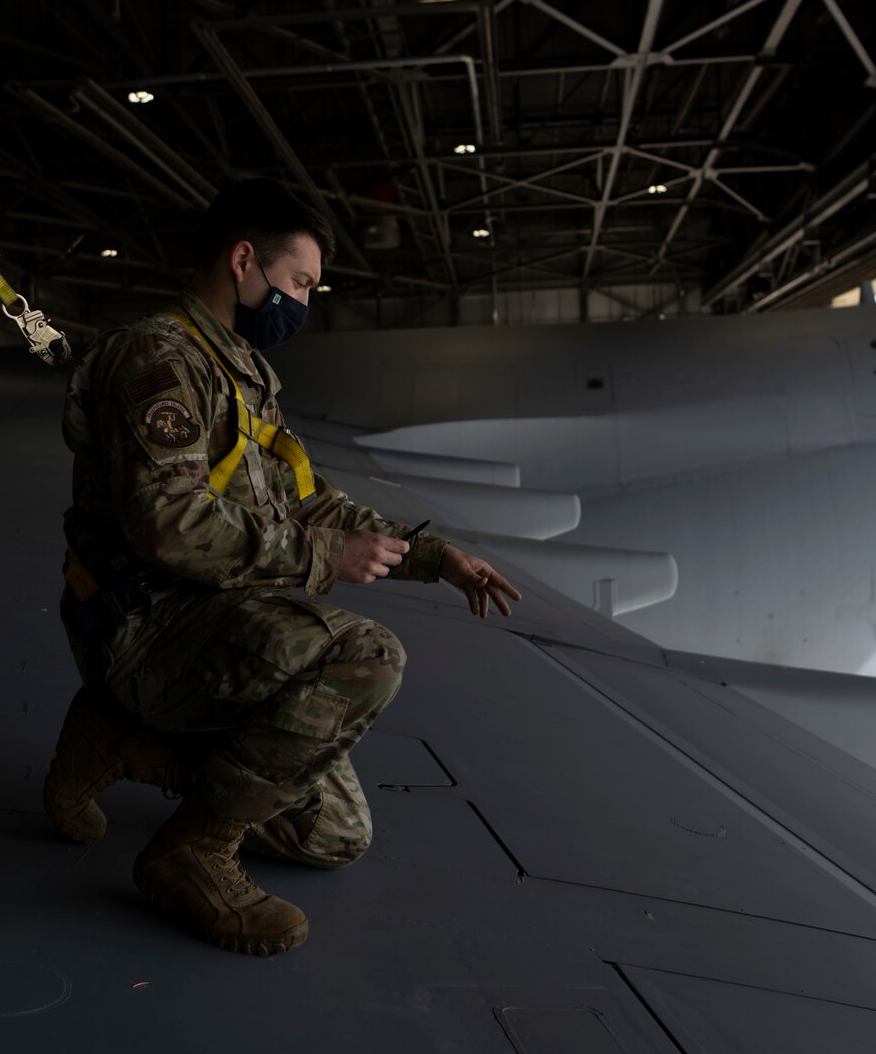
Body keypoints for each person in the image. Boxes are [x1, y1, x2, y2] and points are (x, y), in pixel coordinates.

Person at [46, 178, 521, 957]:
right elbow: (167, 524)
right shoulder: (158, 361)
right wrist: (324, 560)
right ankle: (192, 849)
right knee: (366, 654)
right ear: (244, 261)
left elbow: (311, 502)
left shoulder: (240, 370)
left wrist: (437, 558)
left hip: (214, 621)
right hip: (148, 626)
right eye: (298, 282)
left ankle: (122, 742)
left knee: (335, 835)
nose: (302, 302)